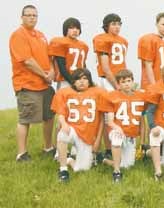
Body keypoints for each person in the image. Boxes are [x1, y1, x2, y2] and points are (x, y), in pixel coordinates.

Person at [9, 5, 56, 161]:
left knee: (49, 116)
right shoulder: (18, 35)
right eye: (28, 15)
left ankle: (48, 147)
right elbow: (27, 61)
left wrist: (51, 71)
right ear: (22, 17)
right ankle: (22, 154)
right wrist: (44, 74)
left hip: (45, 84)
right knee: (25, 119)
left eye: (34, 15)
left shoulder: (40, 35)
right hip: (28, 84)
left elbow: (49, 56)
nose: (31, 18)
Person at [51, 68, 107, 182]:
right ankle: (63, 170)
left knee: (82, 169)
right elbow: (60, 113)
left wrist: (97, 141)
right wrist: (64, 124)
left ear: (89, 80)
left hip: (87, 136)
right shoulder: (64, 92)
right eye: (77, 79)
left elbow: (102, 119)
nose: (81, 81)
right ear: (73, 81)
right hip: (72, 130)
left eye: (84, 78)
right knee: (62, 133)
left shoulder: (98, 92)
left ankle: (70, 160)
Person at [101, 69, 146, 182]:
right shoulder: (113, 96)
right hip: (118, 131)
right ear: (119, 84)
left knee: (127, 165)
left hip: (131, 135)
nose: (126, 84)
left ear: (132, 82)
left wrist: (142, 141)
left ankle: (106, 160)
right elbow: (110, 121)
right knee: (116, 139)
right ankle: (116, 172)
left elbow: (141, 120)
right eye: (123, 82)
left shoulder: (140, 96)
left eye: (129, 81)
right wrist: (118, 128)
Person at [49, 17, 89, 89]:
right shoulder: (60, 42)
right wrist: (73, 82)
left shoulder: (83, 45)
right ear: (65, 29)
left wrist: (87, 81)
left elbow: (83, 65)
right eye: (71, 28)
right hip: (65, 81)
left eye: (77, 28)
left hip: (80, 81)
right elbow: (62, 67)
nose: (75, 30)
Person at [93, 13, 128, 91]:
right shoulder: (102, 39)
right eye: (113, 24)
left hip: (121, 79)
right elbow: (105, 68)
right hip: (108, 80)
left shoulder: (123, 41)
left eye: (119, 24)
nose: (117, 27)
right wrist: (116, 85)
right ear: (106, 26)